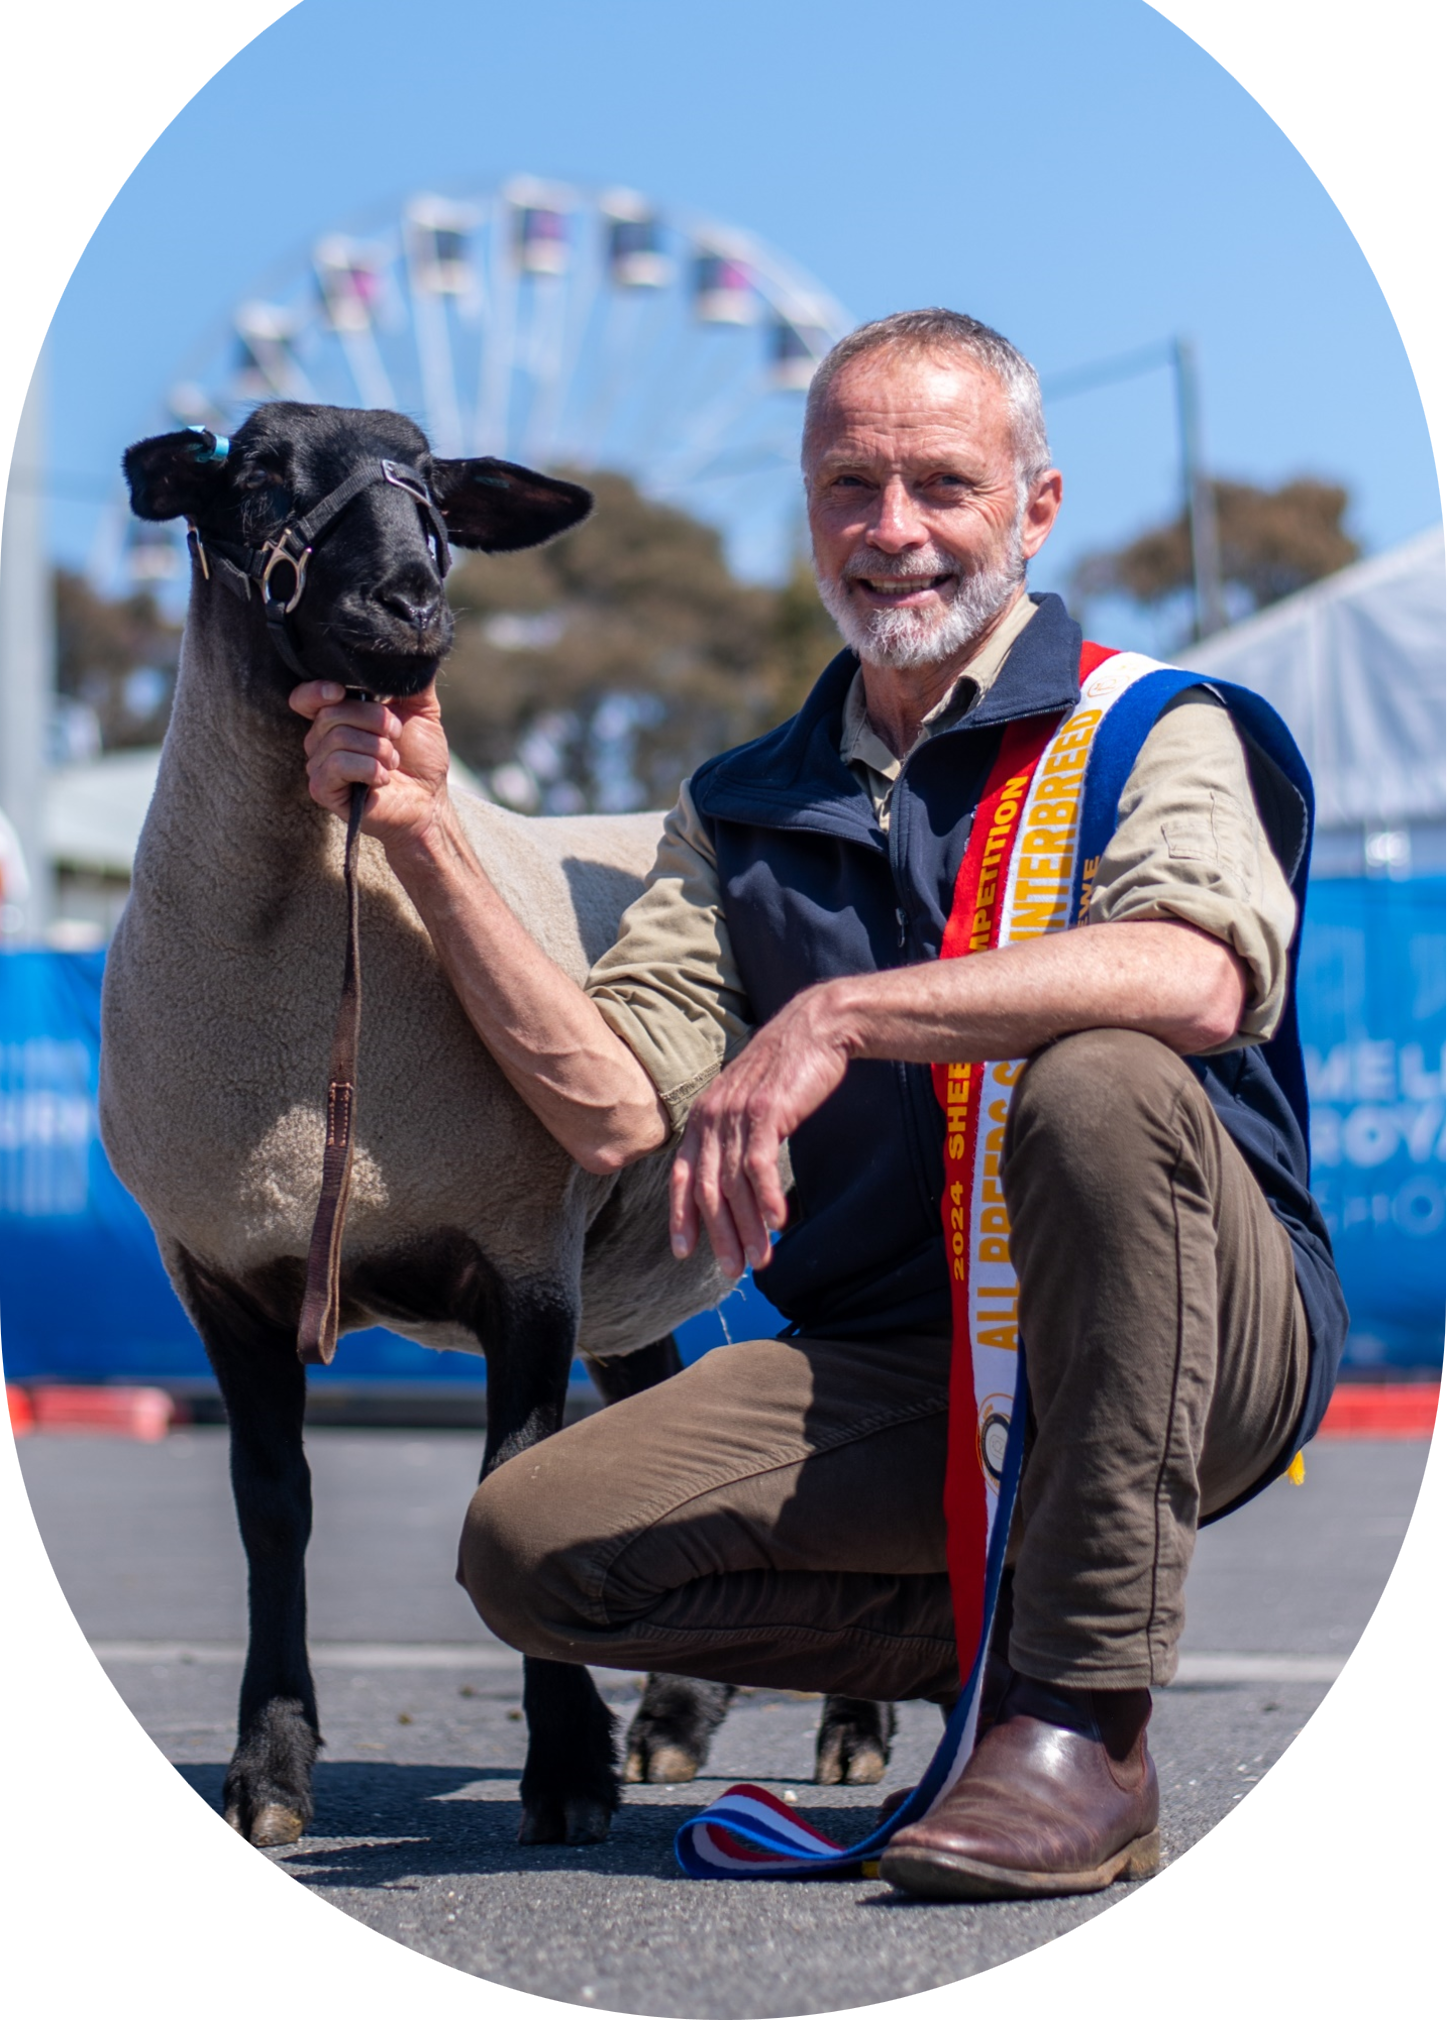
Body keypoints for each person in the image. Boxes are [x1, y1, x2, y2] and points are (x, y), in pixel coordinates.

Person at [293, 309, 1344, 1900]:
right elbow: (605, 1105)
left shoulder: (1153, 725)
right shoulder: (737, 804)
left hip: (1203, 1324)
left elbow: (1196, 974)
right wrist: (430, 832)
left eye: (942, 483)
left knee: (1101, 1083)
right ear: (804, 510)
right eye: (850, 484)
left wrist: (837, 1014)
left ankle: (1080, 1726)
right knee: (531, 1547)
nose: (894, 530)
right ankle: (1020, 1638)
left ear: (1035, 509)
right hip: (905, 1367)